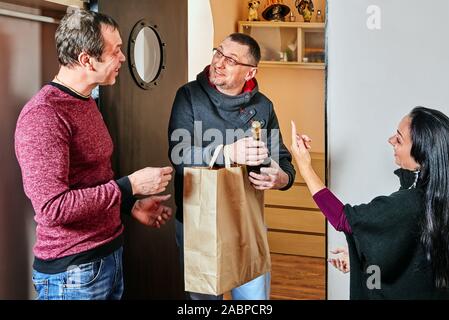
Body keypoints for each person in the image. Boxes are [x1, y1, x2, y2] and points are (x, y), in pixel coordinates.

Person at [14, 9, 173, 300]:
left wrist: (128, 204)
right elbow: (53, 208)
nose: (123, 58)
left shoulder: (86, 101)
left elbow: (91, 180)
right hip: (72, 273)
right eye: (116, 51)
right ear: (87, 59)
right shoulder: (44, 115)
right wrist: (130, 186)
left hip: (108, 256)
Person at [168, 33, 296, 300]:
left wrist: (280, 178)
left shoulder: (263, 107)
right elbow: (180, 155)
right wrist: (226, 152)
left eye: (231, 59)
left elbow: (283, 161)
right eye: (218, 53)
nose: (219, 62)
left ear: (250, 72)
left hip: (246, 223)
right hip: (197, 222)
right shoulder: (188, 96)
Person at [291, 106, 449, 299]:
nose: (390, 141)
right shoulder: (437, 197)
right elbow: (407, 257)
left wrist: (305, 166)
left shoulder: (410, 202)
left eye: (399, 139)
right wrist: (359, 258)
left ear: (421, 155)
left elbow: (343, 219)